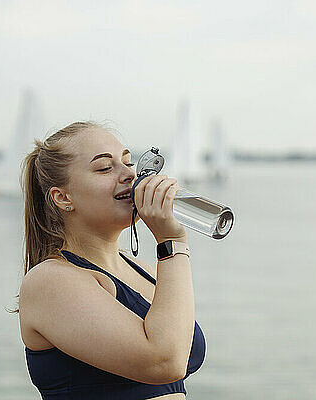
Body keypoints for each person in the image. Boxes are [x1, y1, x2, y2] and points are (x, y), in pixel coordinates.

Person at [15, 121, 206, 399]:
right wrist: (171, 243)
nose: (129, 174)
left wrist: (172, 246)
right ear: (63, 197)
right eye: (105, 168)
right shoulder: (50, 281)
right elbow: (164, 361)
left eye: (128, 162)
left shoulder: (143, 270)